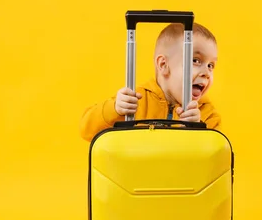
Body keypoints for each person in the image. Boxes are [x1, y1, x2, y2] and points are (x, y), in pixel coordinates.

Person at [79, 22, 222, 142]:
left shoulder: (207, 114)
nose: (207, 73)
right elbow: (86, 130)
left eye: (211, 65)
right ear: (163, 65)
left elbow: (215, 159)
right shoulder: (134, 101)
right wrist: (115, 109)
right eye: (195, 61)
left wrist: (198, 128)